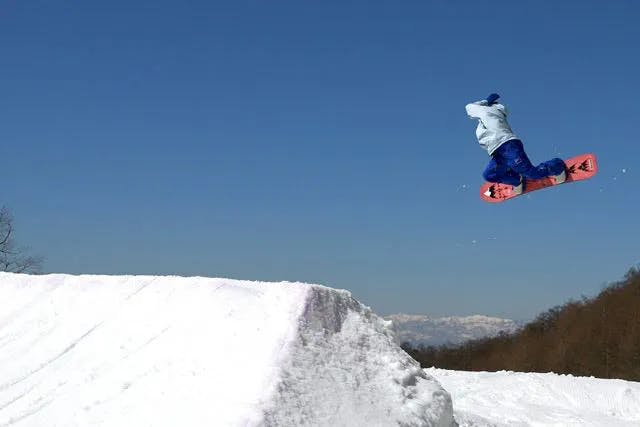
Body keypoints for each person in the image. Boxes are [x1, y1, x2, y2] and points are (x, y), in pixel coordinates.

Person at [465, 93, 566, 195]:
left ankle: (557, 166)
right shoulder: (485, 119)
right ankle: (517, 180)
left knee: (531, 174)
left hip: (508, 147)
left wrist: (485, 102)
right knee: (489, 175)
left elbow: (469, 107)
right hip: (498, 153)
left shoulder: (486, 112)